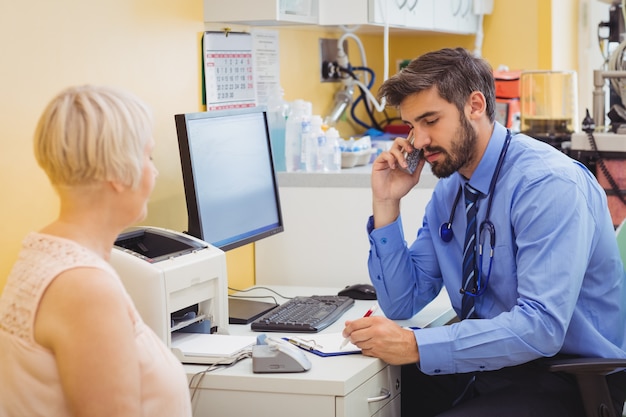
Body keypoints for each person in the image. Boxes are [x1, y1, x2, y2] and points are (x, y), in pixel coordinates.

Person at [341, 47, 626, 416]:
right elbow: (402, 301)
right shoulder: (451, 189)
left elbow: (540, 328)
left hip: (565, 374)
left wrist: (415, 346)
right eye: (412, 126)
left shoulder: (548, 185)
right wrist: (386, 204)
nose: (419, 141)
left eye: (430, 120)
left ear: (475, 105)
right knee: (370, 399)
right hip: (492, 363)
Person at [0, 85, 192, 416]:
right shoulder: (84, 289)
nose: (154, 171)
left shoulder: (44, 254)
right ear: (118, 173)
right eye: (148, 157)